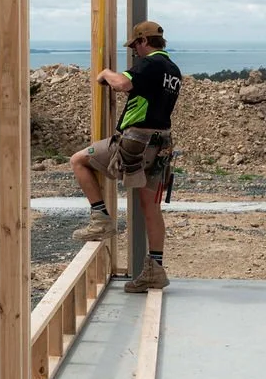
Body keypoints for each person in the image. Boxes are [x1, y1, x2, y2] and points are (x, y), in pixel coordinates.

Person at [69, 20, 183, 293]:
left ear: (144, 41)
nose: (135, 52)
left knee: (78, 160)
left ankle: (101, 219)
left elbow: (121, 84)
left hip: (136, 142)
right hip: (161, 145)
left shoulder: (150, 63)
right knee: (151, 208)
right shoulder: (173, 70)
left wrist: (105, 72)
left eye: (135, 46)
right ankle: (155, 270)